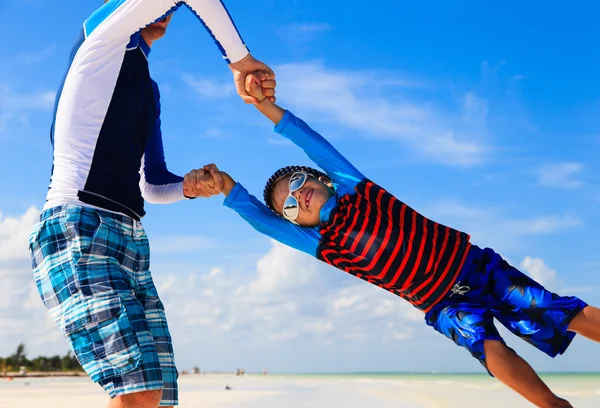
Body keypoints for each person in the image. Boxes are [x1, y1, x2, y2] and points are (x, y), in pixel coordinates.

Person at [189, 73, 600, 408]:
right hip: (442, 303)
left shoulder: (355, 188)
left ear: (320, 177)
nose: (299, 197)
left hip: (473, 264)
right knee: (490, 349)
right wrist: (226, 187)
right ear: (296, 223)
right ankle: (553, 406)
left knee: (553, 308)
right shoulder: (323, 244)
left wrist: (265, 107)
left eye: (298, 183)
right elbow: (262, 222)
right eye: (290, 207)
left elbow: (309, 139)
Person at [28, 1, 275, 407]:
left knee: (157, 399)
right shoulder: (100, 39)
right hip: (78, 227)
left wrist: (190, 187)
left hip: (131, 243)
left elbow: (154, 185)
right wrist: (241, 61)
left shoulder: (148, 88)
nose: (165, 11)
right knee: (137, 392)